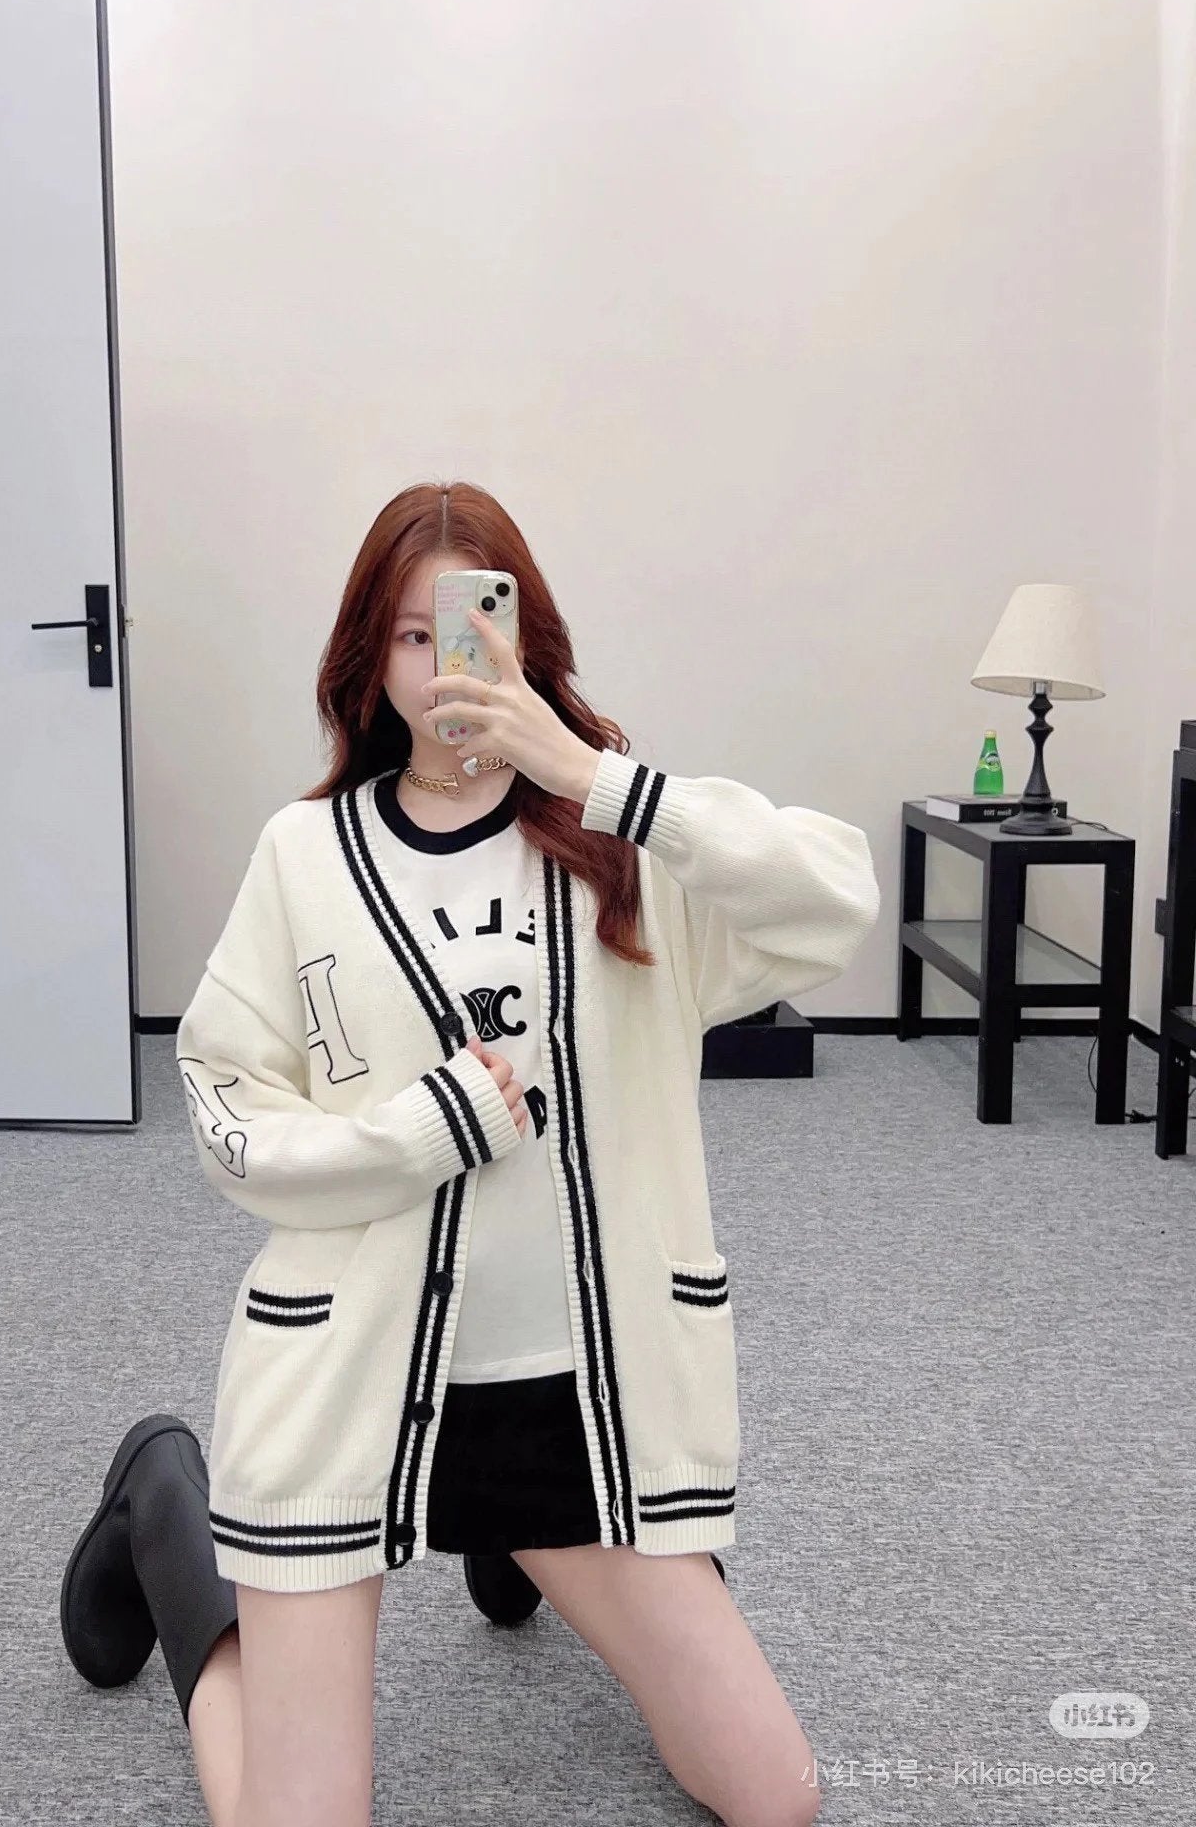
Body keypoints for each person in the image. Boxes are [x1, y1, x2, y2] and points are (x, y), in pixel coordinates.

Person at [60, 480, 881, 1827]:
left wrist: (597, 777)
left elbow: (833, 905)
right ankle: (168, 1510)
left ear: (527, 639)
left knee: (778, 1796)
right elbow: (220, 1103)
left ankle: (529, 1548)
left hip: (581, 1403)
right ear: (367, 660)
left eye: (475, 626)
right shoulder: (305, 856)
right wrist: (415, 1136)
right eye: (409, 633)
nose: (446, 663)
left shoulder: (623, 847)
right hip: (353, 1384)